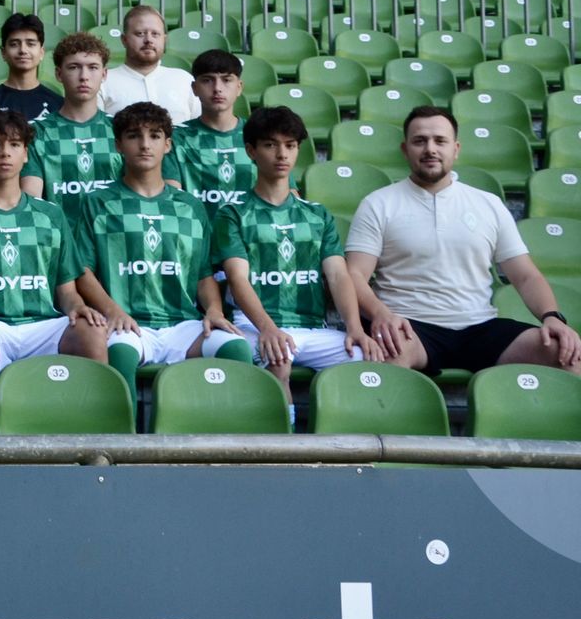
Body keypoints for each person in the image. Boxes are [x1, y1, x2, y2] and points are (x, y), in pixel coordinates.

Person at [345, 107, 581, 377]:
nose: (430, 149)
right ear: (405, 149)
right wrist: (380, 314)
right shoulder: (379, 204)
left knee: (563, 352)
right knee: (387, 352)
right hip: (410, 326)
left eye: (440, 141)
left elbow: (526, 276)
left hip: (479, 326)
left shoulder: (488, 204)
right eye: (420, 141)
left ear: (456, 148)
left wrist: (552, 317)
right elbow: (353, 275)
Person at [73, 101, 254, 414]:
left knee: (236, 347)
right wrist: (113, 310)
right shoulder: (97, 203)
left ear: (168, 145)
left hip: (182, 324)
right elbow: (83, 272)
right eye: (134, 136)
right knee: (120, 356)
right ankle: (122, 448)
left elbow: (202, 274)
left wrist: (213, 309)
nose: (145, 144)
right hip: (128, 324)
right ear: (118, 144)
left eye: (155, 136)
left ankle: (233, 449)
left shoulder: (190, 206)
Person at [0, 110, 108, 433]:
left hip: (43, 325)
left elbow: (67, 291)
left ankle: (91, 437)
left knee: (92, 331)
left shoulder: (51, 215)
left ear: (26, 153)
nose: (5, 153)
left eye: (15, 145)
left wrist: (79, 308)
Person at [214, 106, 372, 425]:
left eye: (290, 145)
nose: (281, 154)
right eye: (271, 145)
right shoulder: (232, 213)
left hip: (312, 327)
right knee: (278, 356)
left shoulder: (318, 215)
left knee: (370, 357)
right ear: (251, 151)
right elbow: (237, 278)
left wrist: (355, 328)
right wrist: (268, 329)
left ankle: (344, 448)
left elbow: (338, 274)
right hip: (252, 324)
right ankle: (283, 447)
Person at [20, 32, 120, 202]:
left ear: (104, 74)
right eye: (74, 67)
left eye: (93, 67)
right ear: (59, 74)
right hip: (57, 228)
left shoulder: (120, 130)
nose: (84, 76)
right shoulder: (37, 132)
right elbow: (33, 202)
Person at [166, 48, 254, 212]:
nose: (217, 88)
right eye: (207, 80)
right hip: (195, 234)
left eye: (226, 80)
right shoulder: (175, 138)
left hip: (249, 235)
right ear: (194, 88)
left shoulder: (260, 136)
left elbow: (285, 194)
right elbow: (172, 199)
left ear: (239, 87)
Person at [99, 5, 199, 124]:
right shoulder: (103, 82)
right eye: (140, 33)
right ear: (124, 40)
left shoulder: (184, 79)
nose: (148, 40)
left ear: (164, 40)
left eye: (155, 34)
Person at [0, 12, 63, 122]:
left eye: (30, 44)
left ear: (41, 52)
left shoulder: (58, 104)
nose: (23, 50)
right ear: (3, 53)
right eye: (14, 44)